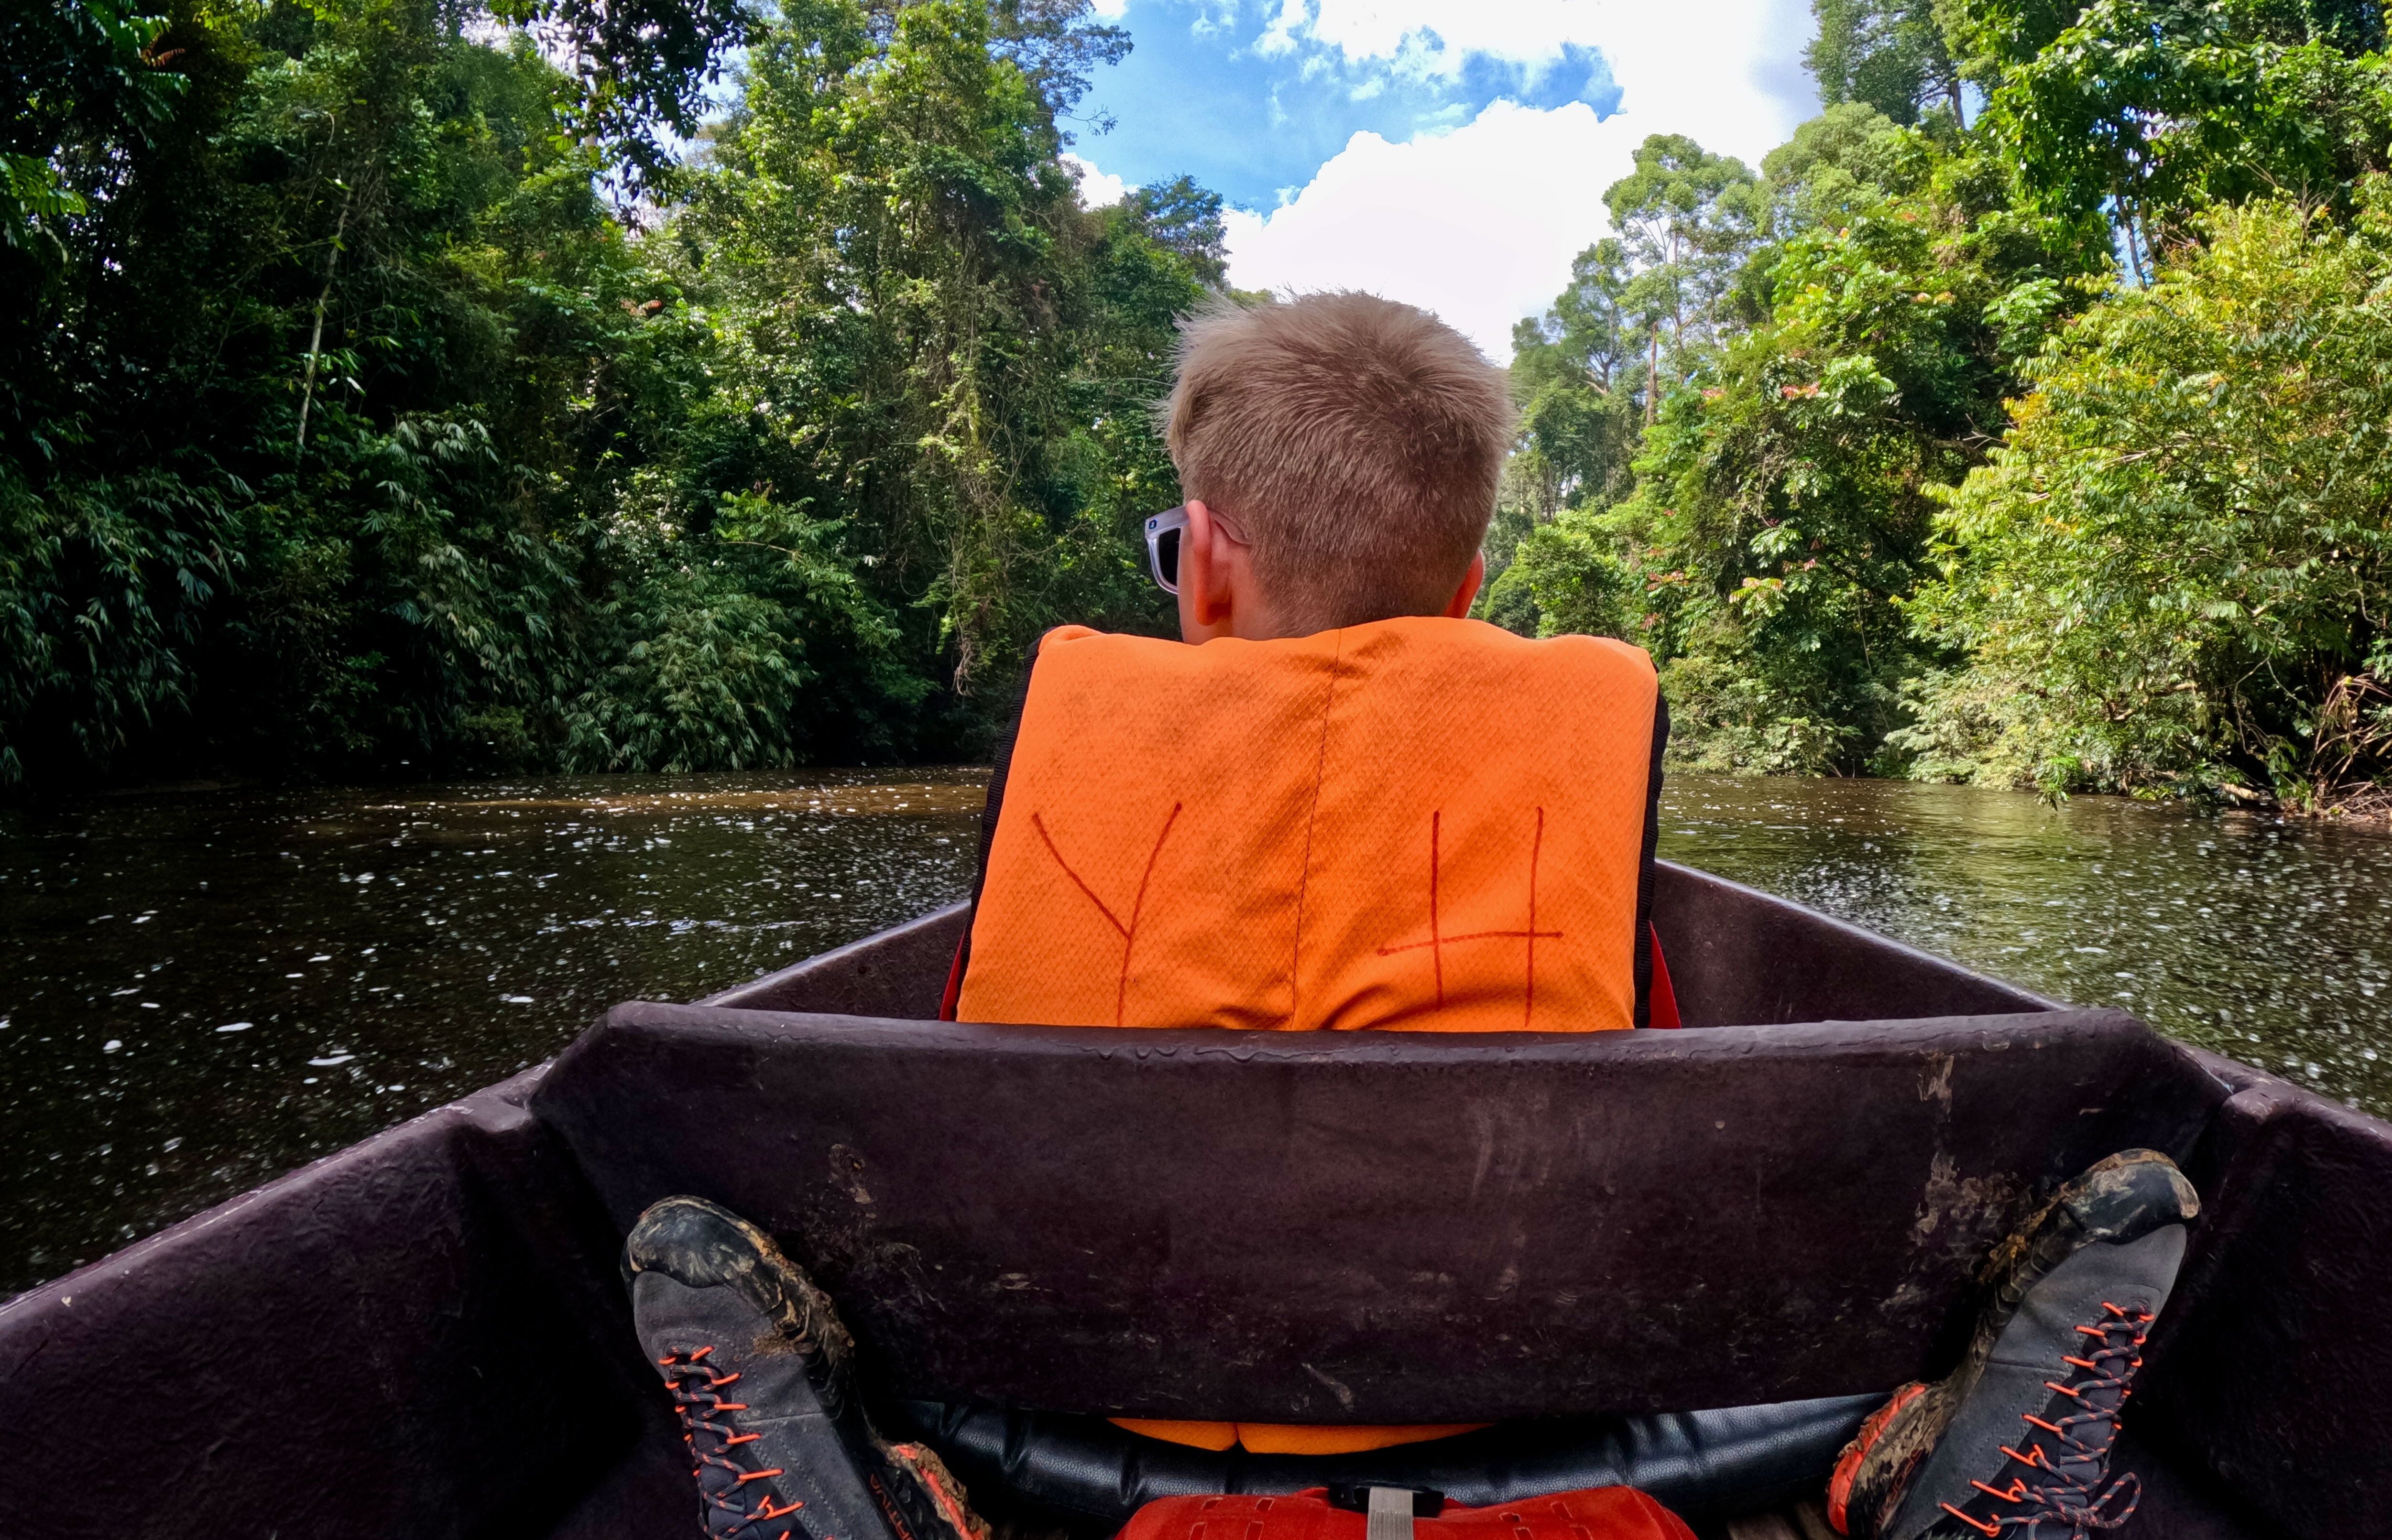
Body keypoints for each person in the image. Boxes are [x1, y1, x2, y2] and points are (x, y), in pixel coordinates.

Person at [621, 293, 2198, 1540]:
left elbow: (966, 1052)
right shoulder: (1592, 725)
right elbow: (1641, 1037)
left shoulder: (1071, 720)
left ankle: (870, 1476)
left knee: (829, 1328)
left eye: (1179, 547)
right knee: (1856, 1354)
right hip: (1518, 1416)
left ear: (1210, 554)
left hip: (1076, 1423)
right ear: (1469, 591)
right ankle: (1896, 1458)